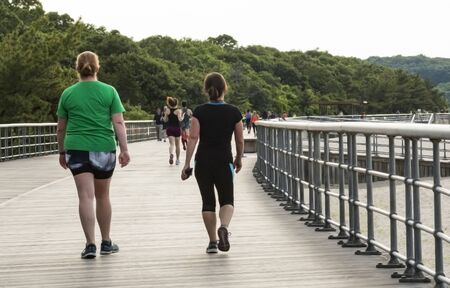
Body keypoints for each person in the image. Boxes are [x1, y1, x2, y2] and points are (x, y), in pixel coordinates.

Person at [56, 51, 130, 259]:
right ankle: (106, 242)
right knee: (103, 195)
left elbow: (61, 128)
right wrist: (124, 149)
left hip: (76, 149)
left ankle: (90, 245)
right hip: (103, 148)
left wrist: (62, 151)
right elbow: (118, 122)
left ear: (77, 68)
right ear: (98, 67)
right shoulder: (109, 91)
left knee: (85, 196)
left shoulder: (68, 93)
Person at [181, 72, 244, 254]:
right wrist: (238, 158)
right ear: (225, 88)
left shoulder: (200, 111)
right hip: (224, 161)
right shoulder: (234, 112)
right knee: (227, 200)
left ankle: (212, 242)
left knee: (208, 202)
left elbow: (193, 137)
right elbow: (240, 140)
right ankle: (224, 226)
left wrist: (187, 164)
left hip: (203, 162)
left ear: (206, 90)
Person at [163, 97, 183, 165]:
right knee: (177, 145)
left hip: (170, 128)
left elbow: (165, 120)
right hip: (177, 128)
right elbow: (180, 119)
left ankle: (171, 154)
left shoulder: (167, 110)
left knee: (171, 144)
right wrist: (182, 116)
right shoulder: (178, 111)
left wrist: (165, 116)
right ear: (176, 103)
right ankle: (177, 160)